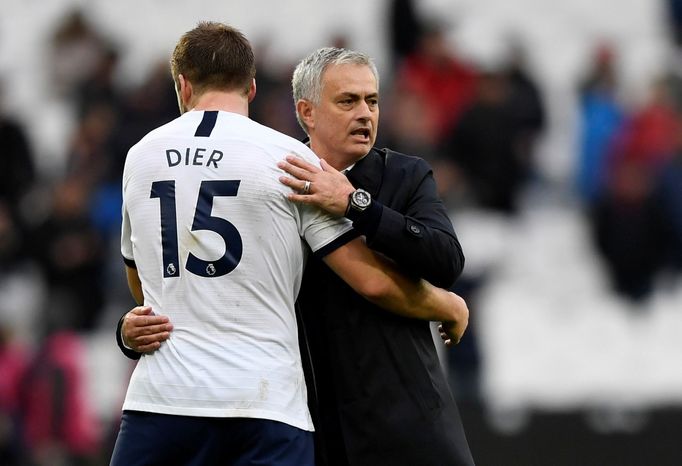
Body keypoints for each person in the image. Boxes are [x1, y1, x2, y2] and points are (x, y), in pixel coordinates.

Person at [110, 23, 468, 466]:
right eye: (348, 101)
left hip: (166, 400)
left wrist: (133, 329)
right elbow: (371, 281)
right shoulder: (287, 163)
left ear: (182, 85)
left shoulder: (141, 154)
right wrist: (446, 306)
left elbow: (144, 288)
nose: (365, 114)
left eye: (372, 101)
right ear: (254, 88)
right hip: (271, 403)